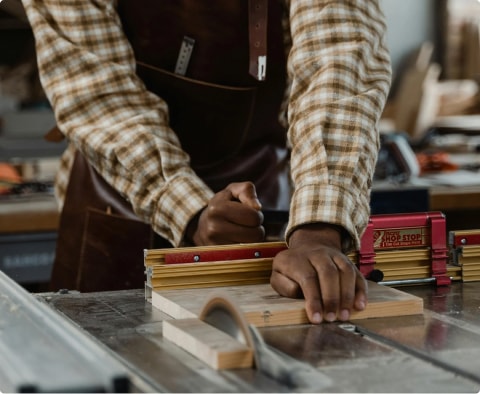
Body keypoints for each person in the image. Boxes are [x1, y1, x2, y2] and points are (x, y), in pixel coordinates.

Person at [22, 0, 391, 324]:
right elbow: (100, 97)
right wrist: (190, 210)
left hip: (262, 209)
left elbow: (339, 61)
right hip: (116, 200)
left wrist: (317, 228)